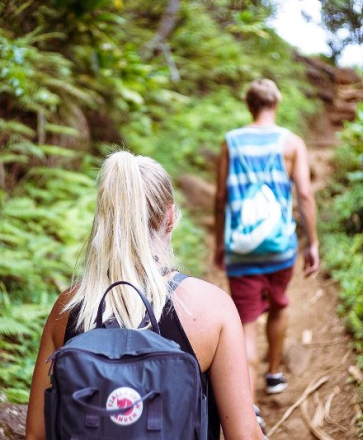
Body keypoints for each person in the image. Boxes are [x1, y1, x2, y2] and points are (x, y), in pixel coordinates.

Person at [26, 150, 264, 440]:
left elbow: (36, 435)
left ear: (104, 217)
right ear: (171, 217)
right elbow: (244, 435)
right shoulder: (211, 308)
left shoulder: (68, 310)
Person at [214, 79, 319, 403]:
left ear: (250, 105)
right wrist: (312, 243)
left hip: (241, 248)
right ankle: (274, 375)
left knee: (245, 323)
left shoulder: (231, 142)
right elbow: (304, 193)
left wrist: (221, 242)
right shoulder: (291, 143)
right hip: (280, 247)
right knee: (278, 305)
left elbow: (220, 198)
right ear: (276, 103)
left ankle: (247, 404)